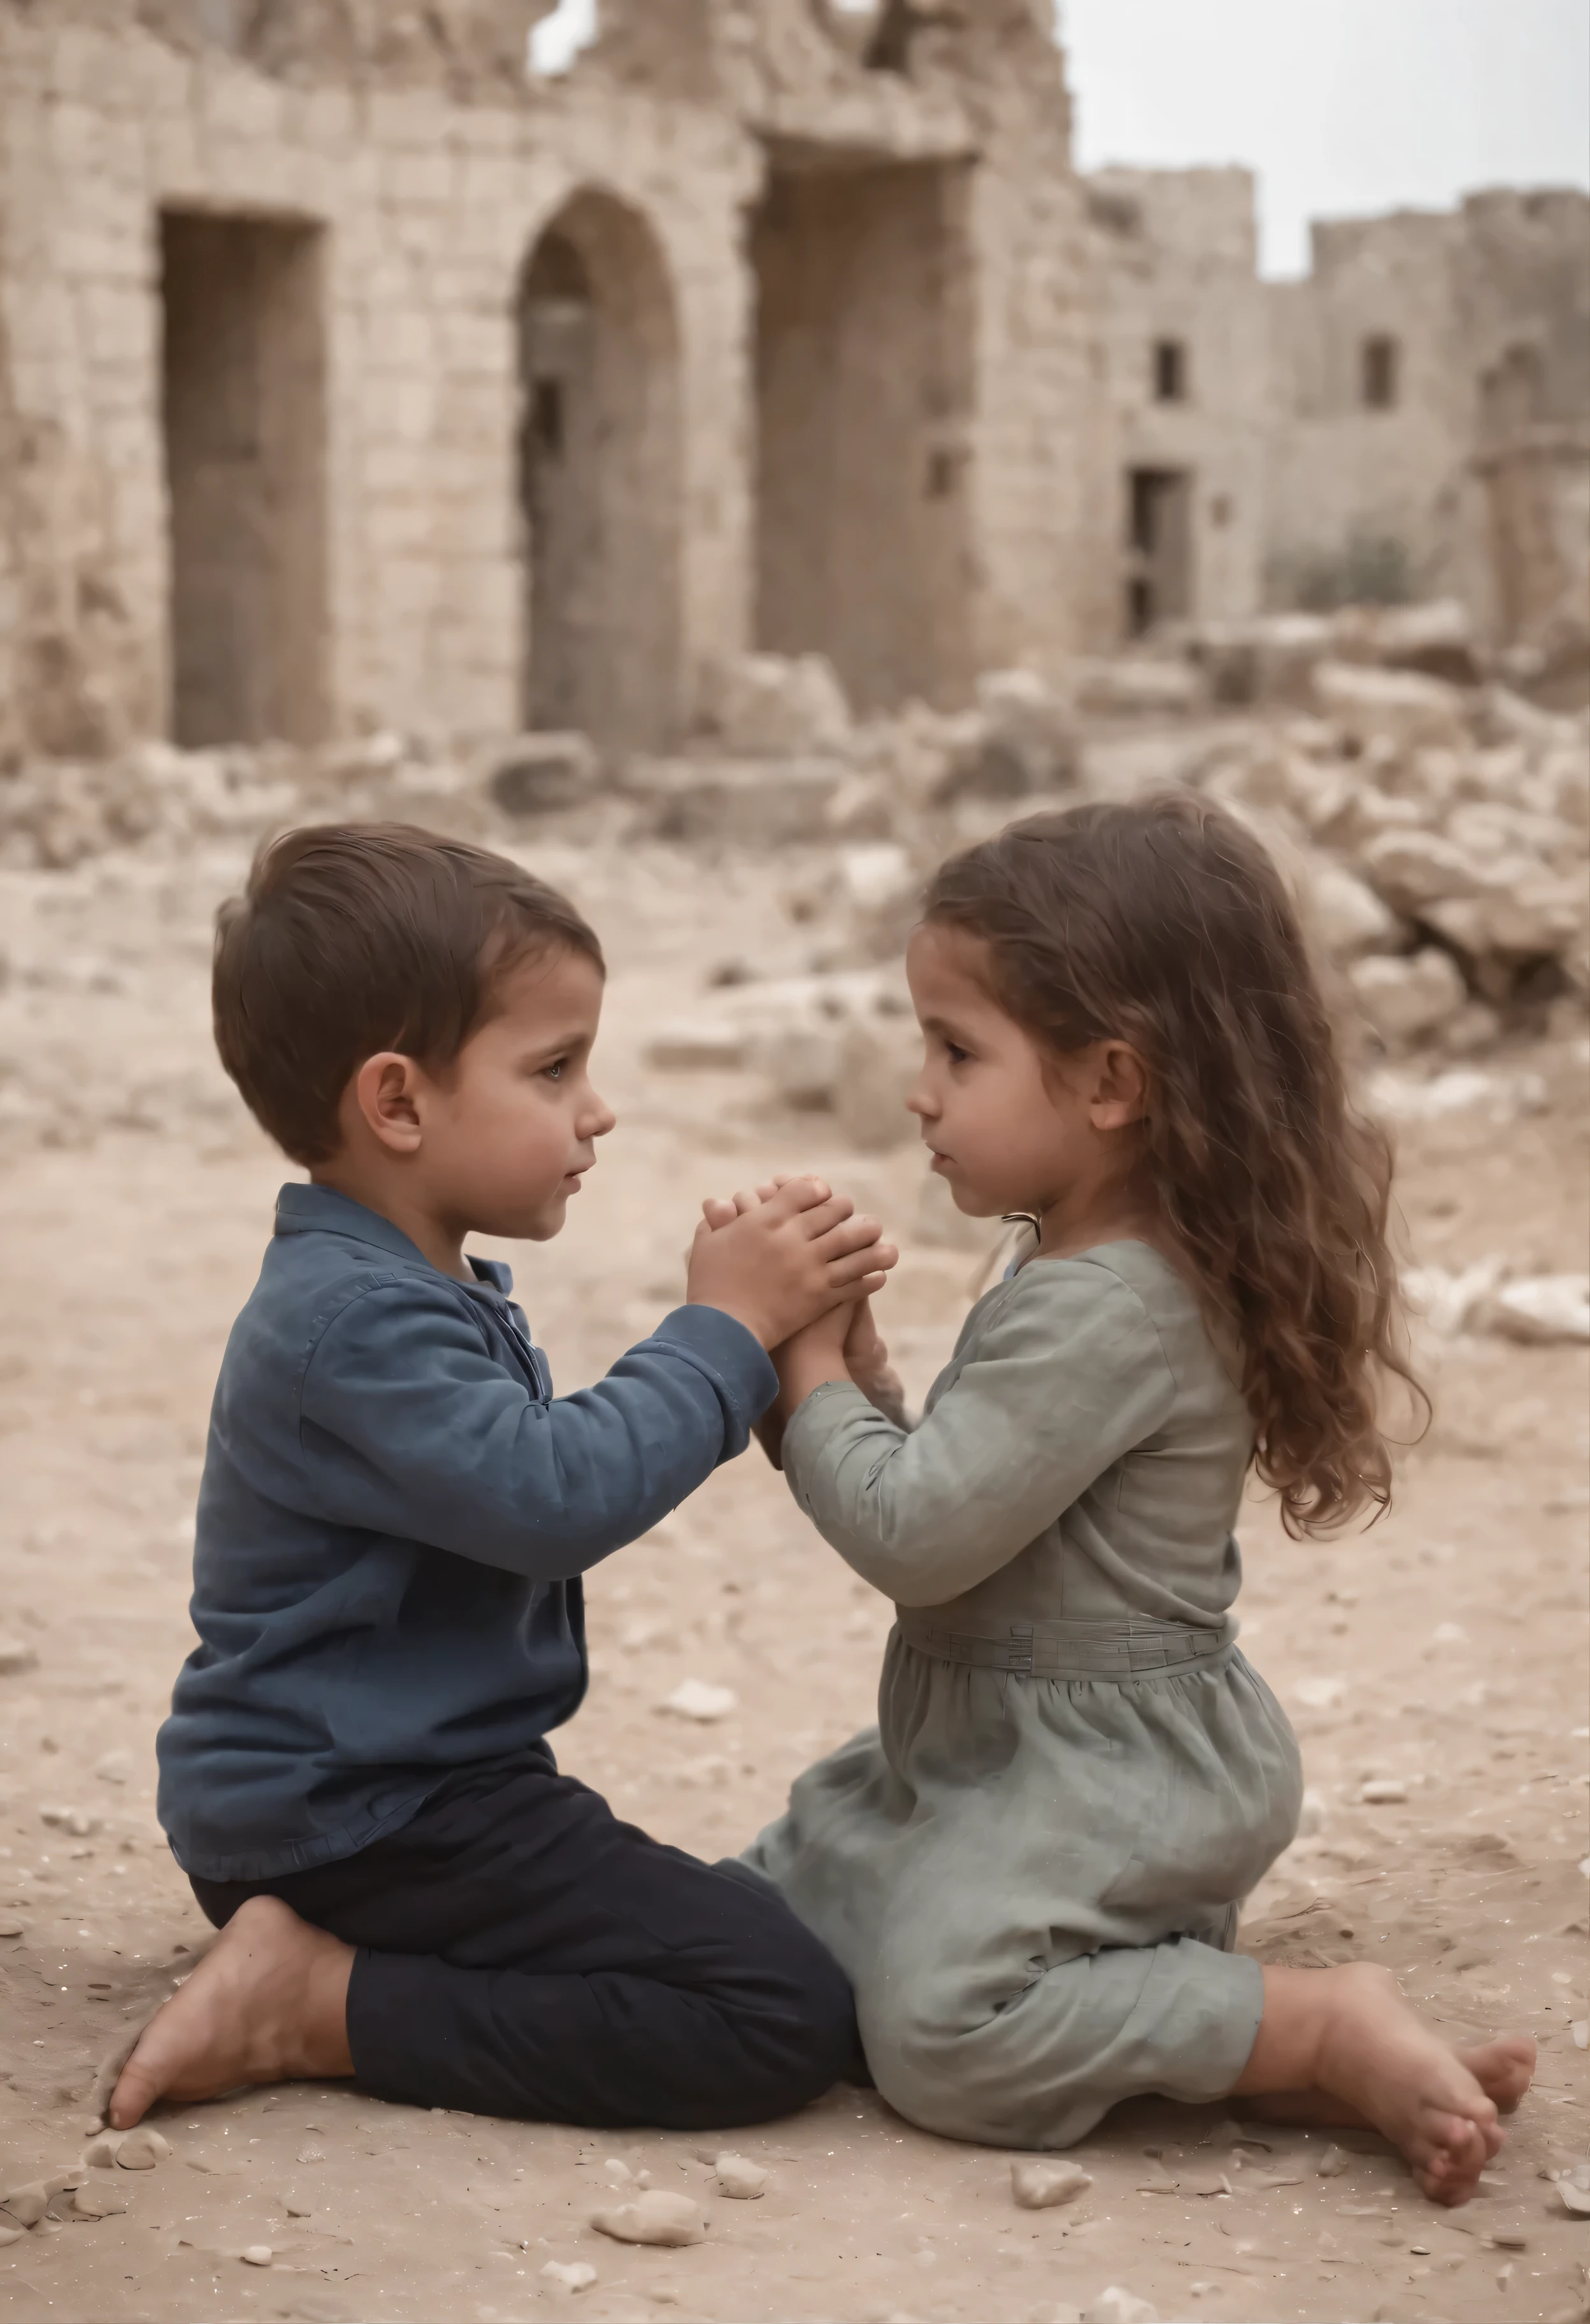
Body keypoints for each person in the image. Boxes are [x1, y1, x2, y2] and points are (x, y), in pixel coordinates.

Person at [724, 796, 1534, 2206]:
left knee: (941, 2035)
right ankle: (1193, 2023)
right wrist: (861, 1381)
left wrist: (797, 1367)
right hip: (989, 1758)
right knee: (776, 1925)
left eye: (957, 1051)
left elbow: (916, 1538)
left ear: (1112, 1083)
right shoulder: (1086, 1264)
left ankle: (1314, 2025)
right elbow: (981, 1508)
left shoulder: (1112, 1303)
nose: (919, 1090)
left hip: (1100, 1784)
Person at [111, 823, 897, 2134]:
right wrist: (720, 1329)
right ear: (400, 1103)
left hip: (384, 1800)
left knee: (748, 1930)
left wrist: (782, 1355)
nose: (598, 1109)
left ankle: (328, 1970)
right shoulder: (349, 1323)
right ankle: (316, 2006)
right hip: (360, 1820)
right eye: (554, 1068)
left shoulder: (402, 1282)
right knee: (774, 2011)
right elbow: (550, 1498)